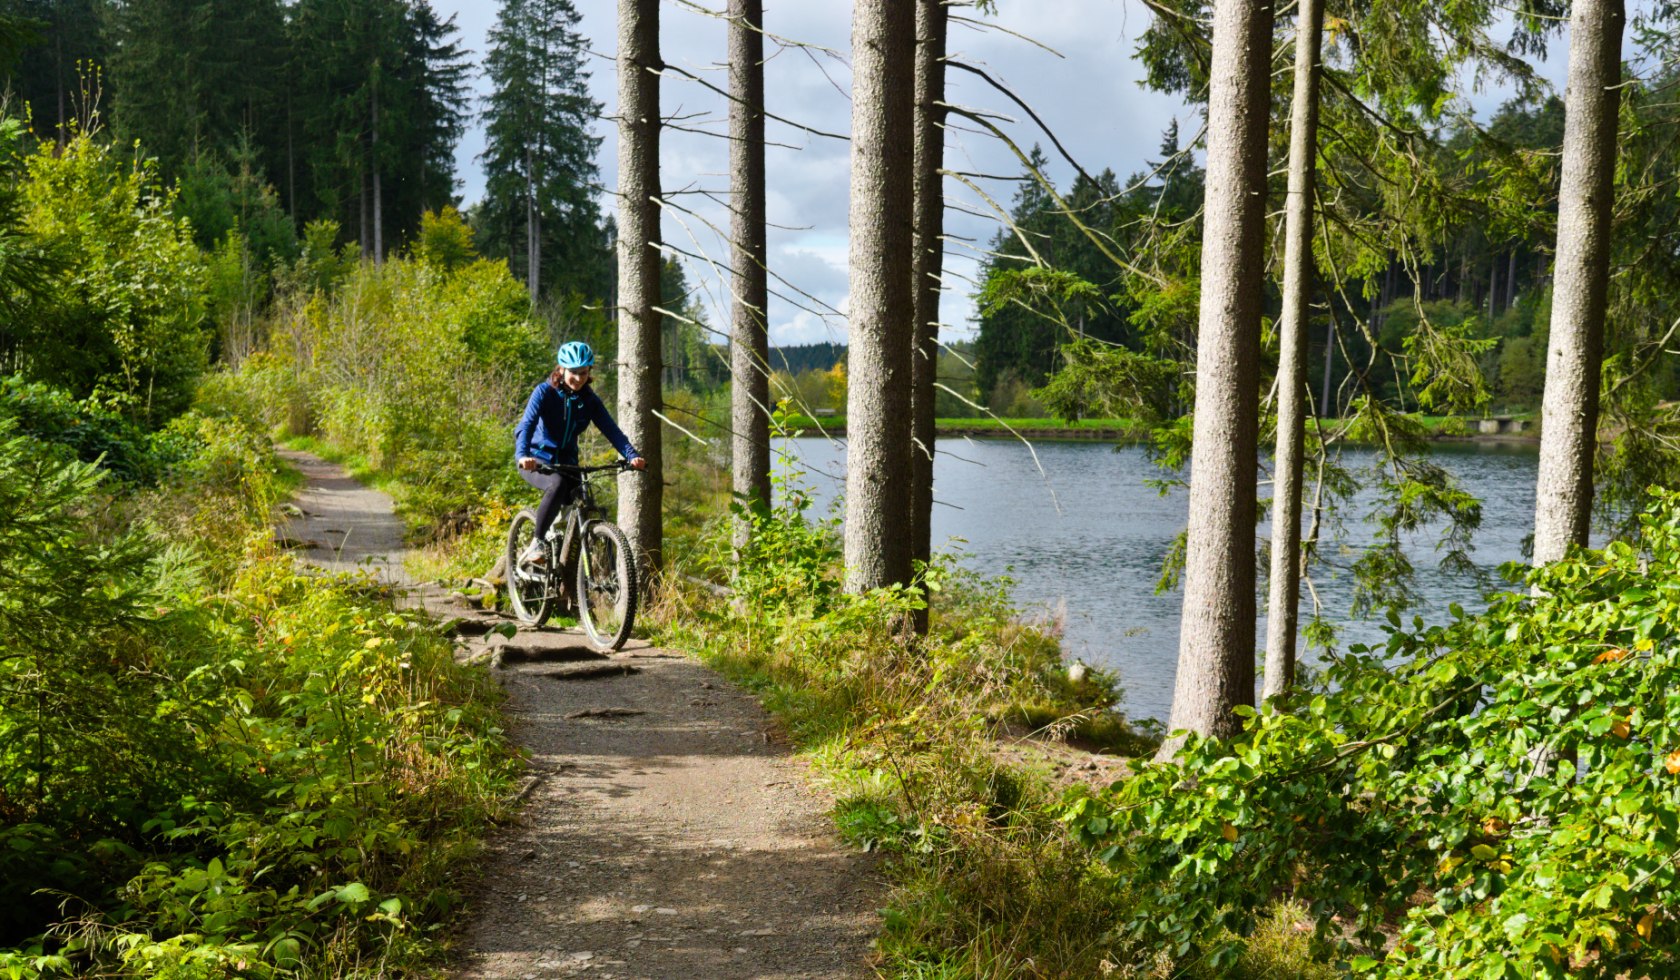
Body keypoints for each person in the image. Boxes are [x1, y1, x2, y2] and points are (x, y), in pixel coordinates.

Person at [513, 341, 647, 565]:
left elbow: (611, 430)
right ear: (561, 370)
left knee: (581, 499)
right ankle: (537, 542)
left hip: (569, 462)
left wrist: (632, 455)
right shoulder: (545, 392)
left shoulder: (589, 400)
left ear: (589, 371)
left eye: (583, 372)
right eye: (573, 372)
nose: (578, 378)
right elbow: (526, 425)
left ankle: (568, 569)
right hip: (537, 460)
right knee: (556, 485)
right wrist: (523, 455)